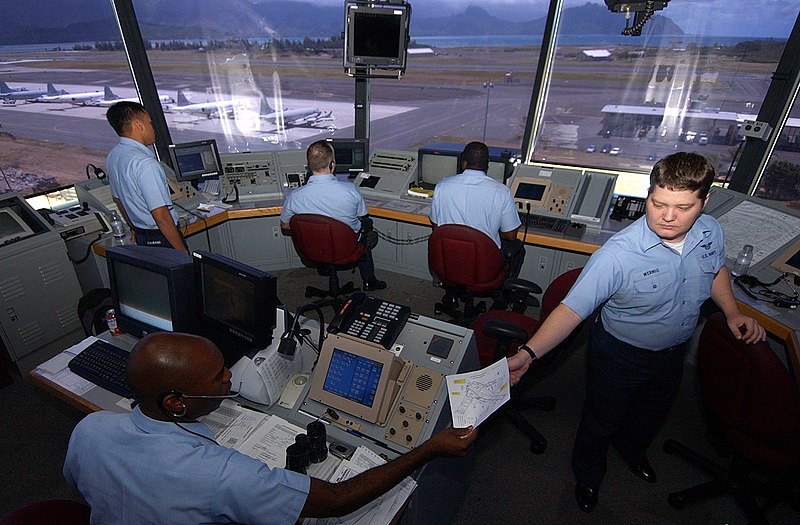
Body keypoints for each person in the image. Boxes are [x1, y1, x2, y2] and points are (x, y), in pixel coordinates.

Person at [506, 152, 766, 513]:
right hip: (620, 354)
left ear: (704, 202)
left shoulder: (711, 231)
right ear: (648, 196)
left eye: (683, 207)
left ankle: (632, 452)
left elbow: (716, 269)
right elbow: (571, 309)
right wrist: (528, 354)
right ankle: (588, 475)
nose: (669, 217)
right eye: (658, 204)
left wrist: (732, 310)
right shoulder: (618, 254)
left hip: (673, 351)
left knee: (650, 414)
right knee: (601, 420)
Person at [64, 332, 477, 524]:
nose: (230, 378)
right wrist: (427, 449)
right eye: (216, 378)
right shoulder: (220, 475)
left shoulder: (90, 429)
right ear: (176, 402)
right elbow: (334, 500)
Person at [280, 140, 386, 291]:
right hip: (346, 247)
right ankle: (369, 280)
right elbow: (362, 215)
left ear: (309, 166)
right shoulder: (350, 190)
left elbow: (285, 225)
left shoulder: (295, 196)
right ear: (332, 164)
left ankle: (324, 266)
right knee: (367, 224)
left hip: (313, 248)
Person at [429, 141, 524, 279]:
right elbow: (510, 235)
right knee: (518, 249)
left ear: (464, 163)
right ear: (487, 165)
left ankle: (452, 289)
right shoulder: (502, 192)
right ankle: (502, 297)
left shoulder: (442, 186)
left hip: (450, 257)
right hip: (485, 265)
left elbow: (436, 227)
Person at [105, 101, 188, 252]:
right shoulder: (146, 164)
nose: (153, 128)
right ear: (138, 125)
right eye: (149, 123)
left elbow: (118, 200)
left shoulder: (113, 156)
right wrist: (183, 252)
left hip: (142, 236)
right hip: (162, 237)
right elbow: (161, 216)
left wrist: (134, 228)